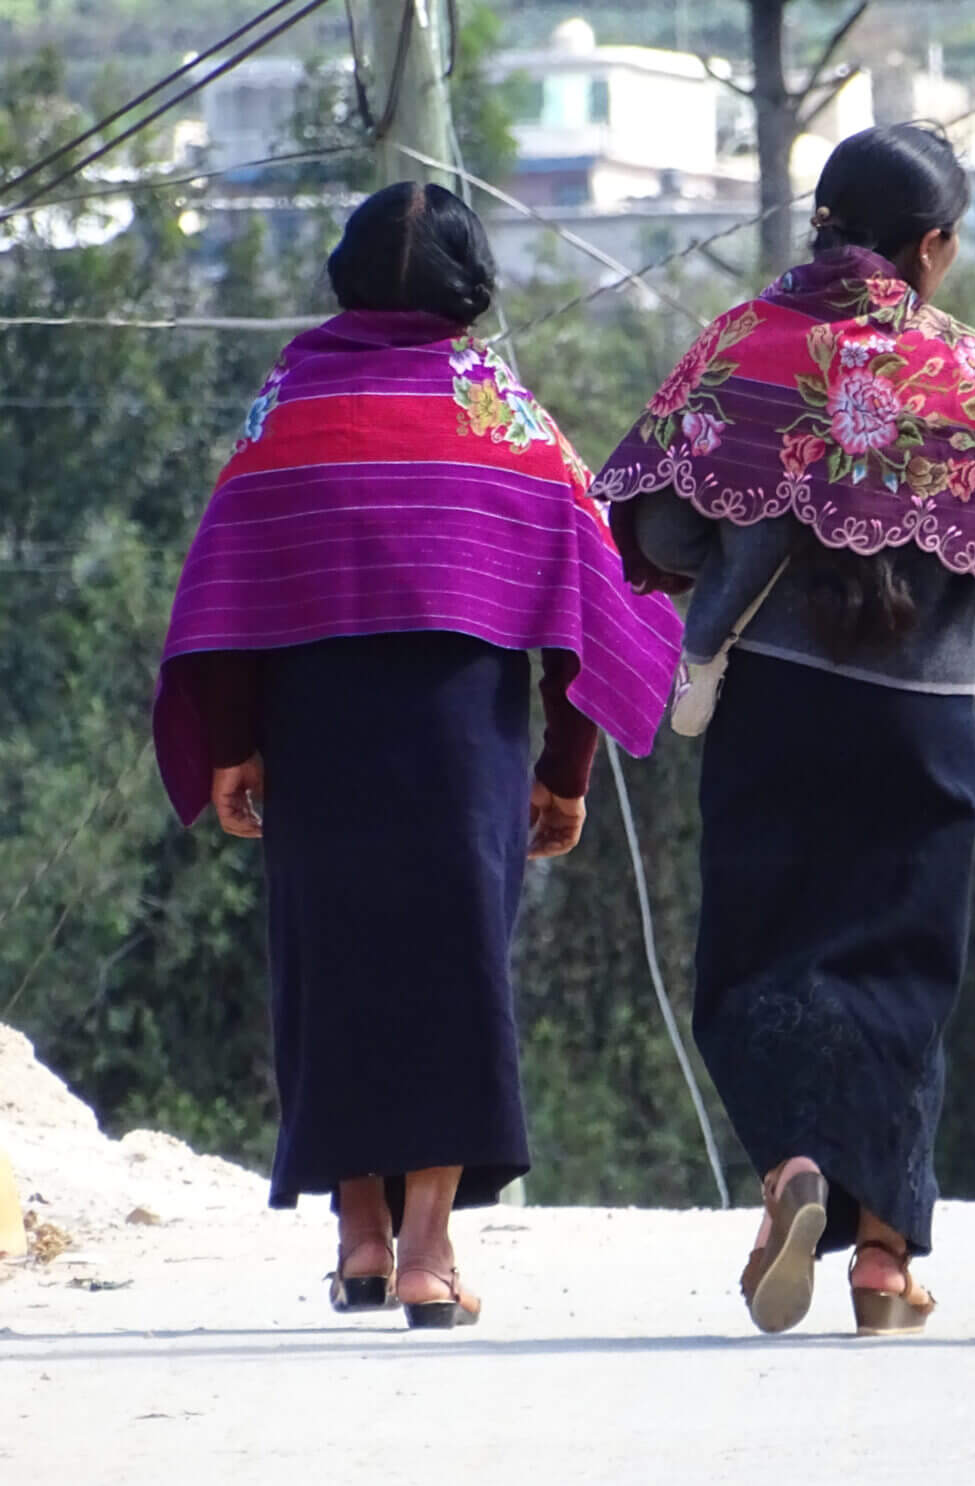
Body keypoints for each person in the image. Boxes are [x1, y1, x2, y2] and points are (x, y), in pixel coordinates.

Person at [153, 182, 684, 1328]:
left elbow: (233, 591)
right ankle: (427, 1257)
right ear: (469, 288)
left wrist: (234, 749)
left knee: (333, 969)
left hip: (315, 733)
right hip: (461, 736)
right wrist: (565, 770)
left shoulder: (284, 407)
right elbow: (591, 593)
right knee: (454, 974)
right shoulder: (502, 411)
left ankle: (357, 1235)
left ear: (346, 280)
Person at [590, 123, 975, 1337]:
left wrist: (746, 540)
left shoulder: (743, 345)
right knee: (899, 971)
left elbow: (659, 531)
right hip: (921, 719)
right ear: (933, 243)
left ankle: (792, 1166)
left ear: (824, 221)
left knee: (762, 954)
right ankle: (884, 1263)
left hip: (774, 705)